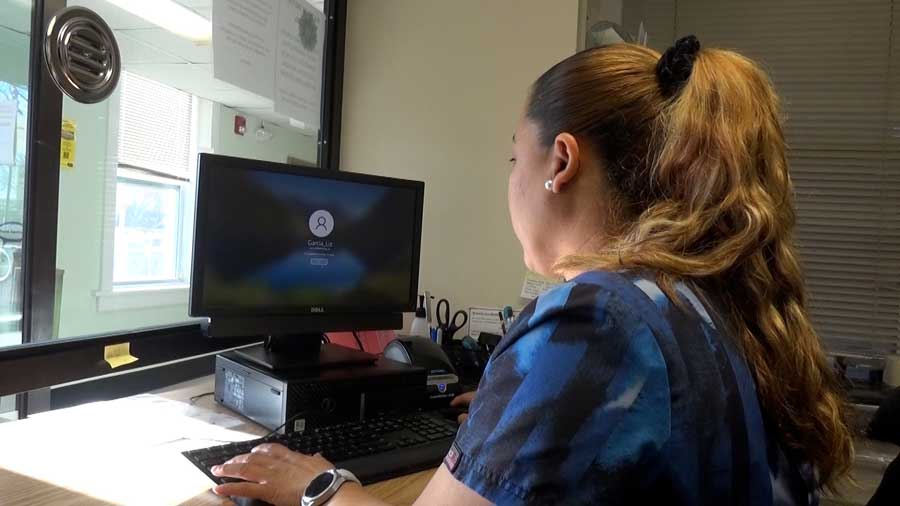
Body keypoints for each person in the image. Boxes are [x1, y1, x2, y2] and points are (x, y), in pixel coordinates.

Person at [208, 36, 854, 505]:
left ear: (560, 162)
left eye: (515, 157)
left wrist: (315, 484)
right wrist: (515, 419)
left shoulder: (601, 318)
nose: (511, 178)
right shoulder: (705, 301)